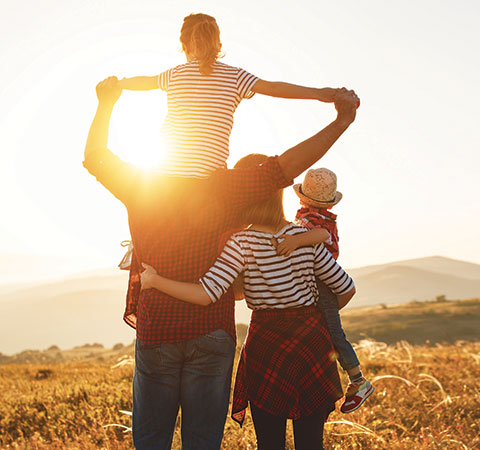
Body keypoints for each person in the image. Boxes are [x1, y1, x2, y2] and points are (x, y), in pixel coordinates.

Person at [83, 76, 359, 450]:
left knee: (150, 440)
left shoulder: (142, 183)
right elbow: (287, 166)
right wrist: (341, 121)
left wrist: (107, 102)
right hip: (214, 332)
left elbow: (95, 157)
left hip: (159, 328)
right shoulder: (229, 189)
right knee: (203, 442)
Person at [136, 153, 357, 449]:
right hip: (312, 344)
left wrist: (154, 281)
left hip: (267, 345)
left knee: (269, 443)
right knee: (311, 442)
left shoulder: (241, 243)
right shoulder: (305, 236)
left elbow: (207, 293)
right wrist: (313, 317)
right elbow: (346, 287)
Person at [117, 13, 338, 178]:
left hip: (165, 173)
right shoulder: (235, 76)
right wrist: (319, 93)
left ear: (183, 46)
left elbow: (144, 82)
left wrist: (118, 84)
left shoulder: (175, 74)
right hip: (210, 177)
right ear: (219, 45)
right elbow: (274, 88)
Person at [273, 167, 373, 412]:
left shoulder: (319, 221)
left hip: (322, 282)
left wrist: (295, 241)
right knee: (322, 330)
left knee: (333, 332)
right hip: (315, 280)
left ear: (301, 196)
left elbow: (320, 235)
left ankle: (358, 380)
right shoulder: (309, 216)